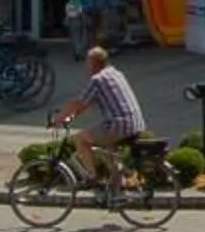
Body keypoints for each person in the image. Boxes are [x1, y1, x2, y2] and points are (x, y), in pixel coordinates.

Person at [57, 46, 147, 180]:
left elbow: (79, 102)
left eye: (87, 61)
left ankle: (91, 176)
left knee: (80, 139)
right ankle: (117, 187)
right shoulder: (115, 73)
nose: (86, 65)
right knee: (108, 151)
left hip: (118, 125)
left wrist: (59, 117)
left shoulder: (97, 80)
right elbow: (85, 105)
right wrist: (73, 116)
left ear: (93, 63)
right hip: (135, 123)